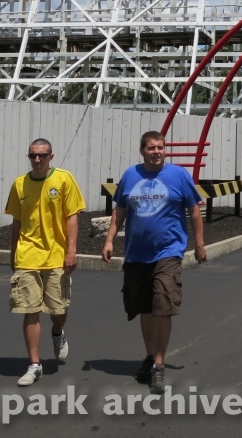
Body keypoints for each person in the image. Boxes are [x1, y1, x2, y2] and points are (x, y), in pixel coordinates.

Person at [102, 131, 207, 395]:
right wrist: (109, 240)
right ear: (142, 151)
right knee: (146, 308)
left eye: (160, 147)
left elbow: (194, 210)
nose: (157, 151)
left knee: (162, 304)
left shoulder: (179, 175)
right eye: (151, 148)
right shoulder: (130, 175)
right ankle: (150, 356)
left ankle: (159, 366)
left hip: (168, 251)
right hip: (137, 253)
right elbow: (120, 210)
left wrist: (199, 243)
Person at [5, 138, 86, 387]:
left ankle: (57, 332)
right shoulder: (20, 184)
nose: (37, 159)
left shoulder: (63, 179)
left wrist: (71, 251)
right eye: (32, 155)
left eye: (42, 155)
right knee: (30, 309)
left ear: (51, 156)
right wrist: (13, 253)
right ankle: (35, 364)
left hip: (56, 255)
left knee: (58, 310)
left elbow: (72, 217)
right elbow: (17, 222)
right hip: (28, 254)